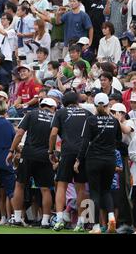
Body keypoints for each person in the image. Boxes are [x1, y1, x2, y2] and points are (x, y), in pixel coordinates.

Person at [75, 93, 122, 234]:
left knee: (94, 192)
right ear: (108, 105)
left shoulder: (90, 120)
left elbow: (84, 143)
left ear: (94, 106)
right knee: (106, 191)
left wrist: (78, 160)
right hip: (110, 159)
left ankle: (95, 227)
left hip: (93, 160)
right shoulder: (114, 121)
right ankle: (111, 218)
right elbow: (118, 140)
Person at [7, 98, 57, 228]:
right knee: (45, 189)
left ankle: (17, 218)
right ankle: (45, 221)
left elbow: (19, 134)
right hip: (45, 155)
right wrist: (51, 153)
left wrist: (12, 150)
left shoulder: (31, 114)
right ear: (53, 108)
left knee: (20, 185)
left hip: (28, 154)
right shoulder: (55, 118)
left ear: (41, 105)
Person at [49, 91, 93, 232]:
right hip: (83, 153)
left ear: (63, 102)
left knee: (61, 185)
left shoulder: (60, 113)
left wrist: (50, 151)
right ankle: (80, 222)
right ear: (77, 101)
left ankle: (60, 219)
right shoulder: (87, 113)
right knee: (81, 188)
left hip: (67, 151)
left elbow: (53, 133)